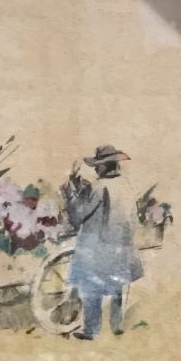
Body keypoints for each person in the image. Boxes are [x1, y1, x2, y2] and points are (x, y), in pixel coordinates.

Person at [65, 144, 143, 339]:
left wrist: (71, 193)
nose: (95, 170)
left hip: (98, 248)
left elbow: (78, 215)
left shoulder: (98, 187)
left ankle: (91, 330)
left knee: (91, 289)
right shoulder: (125, 186)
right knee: (117, 287)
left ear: (104, 166)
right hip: (120, 247)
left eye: (97, 166)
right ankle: (116, 326)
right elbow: (133, 218)